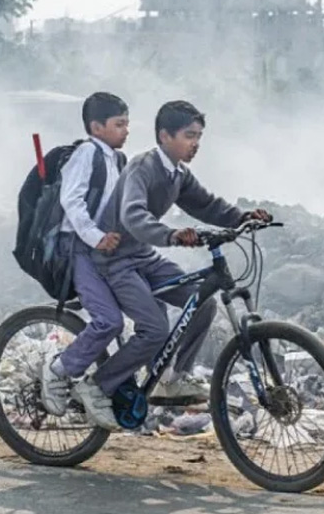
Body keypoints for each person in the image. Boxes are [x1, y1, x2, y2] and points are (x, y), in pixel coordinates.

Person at [72, 100, 271, 429]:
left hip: (142, 257)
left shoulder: (177, 173)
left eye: (199, 137)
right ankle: (95, 386)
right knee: (155, 328)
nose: (195, 144)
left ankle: (172, 377)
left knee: (202, 301)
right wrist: (172, 234)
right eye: (189, 135)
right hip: (115, 260)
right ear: (164, 136)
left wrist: (243, 217)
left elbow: (206, 204)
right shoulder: (143, 167)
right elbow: (132, 215)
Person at [40, 92, 130, 419]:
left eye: (127, 124)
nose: (126, 130)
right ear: (97, 126)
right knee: (108, 320)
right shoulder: (86, 154)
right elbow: (72, 203)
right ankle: (59, 370)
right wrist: (96, 237)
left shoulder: (118, 160)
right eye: (119, 124)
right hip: (79, 249)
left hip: (108, 251)